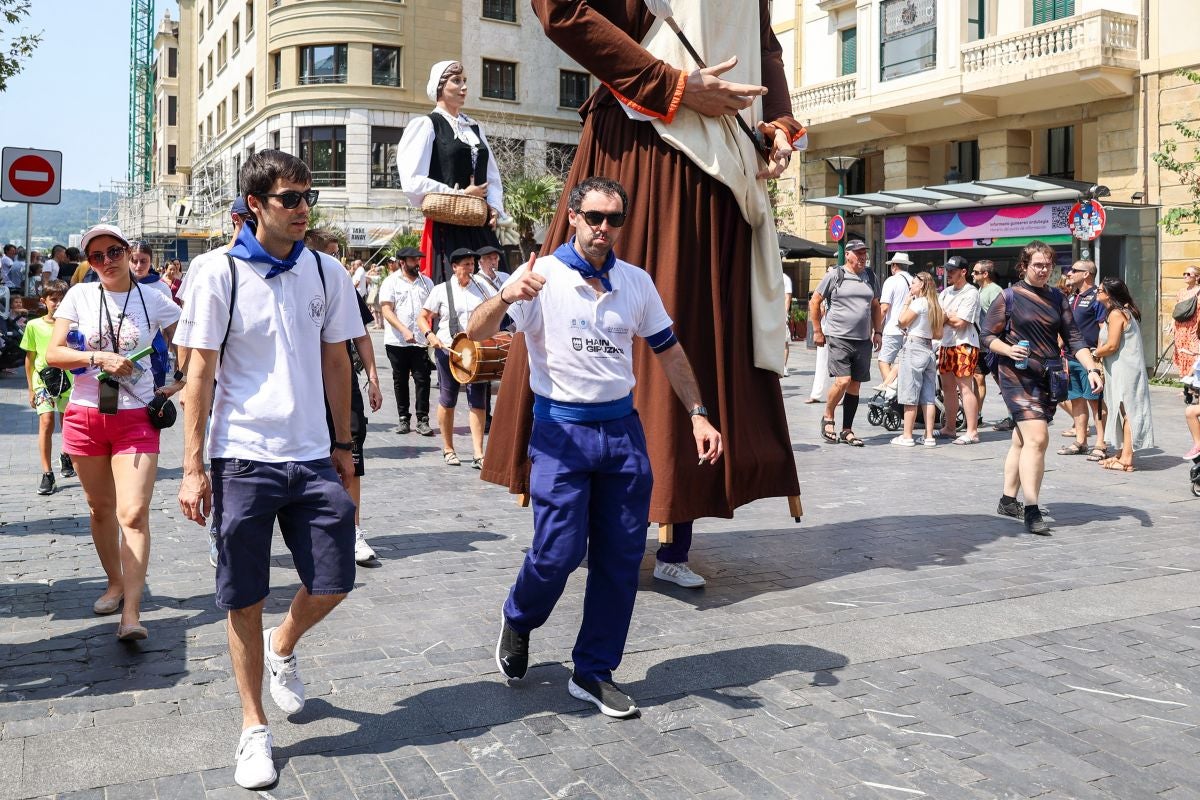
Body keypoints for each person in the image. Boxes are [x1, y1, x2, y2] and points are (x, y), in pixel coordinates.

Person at [483, 0, 802, 590]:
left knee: (697, 330)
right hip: (643, 136)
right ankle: (572, 523)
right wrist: (672, 87)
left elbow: (763, 39)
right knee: (594, 322)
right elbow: (561, 10)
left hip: (723, 158)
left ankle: (677, 531)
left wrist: (779, 123)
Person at [469, 177, 721, 718]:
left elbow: (670, 353)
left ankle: (593, 671)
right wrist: (505, 296)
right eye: (595, 217)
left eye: (614, 220)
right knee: (558, 552)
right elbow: (475, 329)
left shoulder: (635, 282)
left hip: (622, 434)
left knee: (621, 558)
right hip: (561, 433)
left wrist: (698, 414)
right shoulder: (540, 277)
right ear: (574, 216)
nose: (604, 229)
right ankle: (519, 617)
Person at [175, 150, 364, 790]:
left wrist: (344, 444)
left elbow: (336, 360)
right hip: (242, 458)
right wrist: (192, 467)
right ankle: (253, 728)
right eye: (289, 198)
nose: (303, 208)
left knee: (336, 580)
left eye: (308, 196)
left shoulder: (327, 270)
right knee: (243, 596)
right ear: (255, 204)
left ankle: (284, 646)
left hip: (312, 454)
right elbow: (198, 373)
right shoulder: (216, 270)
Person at [46, 224, 183, 638]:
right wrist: (98, 356)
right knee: (100, 509)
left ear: (128, 252)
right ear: (89, 262)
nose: (107, 261)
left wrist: (179, 380)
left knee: (134, 513)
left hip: (137, 418)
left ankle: (132, 614)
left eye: (114, 251)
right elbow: (54, 352)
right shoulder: (80, 295)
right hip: (86, 416)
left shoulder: (156, 300)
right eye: (97, 256)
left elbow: (192, 344)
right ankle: (115, 582)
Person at [981, 241, 1104, 535]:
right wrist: (1008, 350)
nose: (1043, 270)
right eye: (1037, 264)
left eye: (1048, 265)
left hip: (1046, 376)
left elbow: (1074, 338)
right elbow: (986, 336)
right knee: (1037, 438)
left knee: (1021, 441)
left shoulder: (1057, 298)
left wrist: (1091, 368)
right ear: (1024, 266)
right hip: (1015, 375)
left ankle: (1008, 500)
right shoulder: (1008, 297)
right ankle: (1032, 509)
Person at [396, 60, 506, 284]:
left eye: (465, 81)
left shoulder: (474, 128)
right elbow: (412, 180)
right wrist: (462, 194)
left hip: (480, 222)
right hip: (448, 226)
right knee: (455, 292)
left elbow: (492, 176)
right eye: (456, 81)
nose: (464, 87)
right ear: (439, 87)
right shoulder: (427, 125)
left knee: (495, 289)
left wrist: (493, 206)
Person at [419, 247, 490, 467]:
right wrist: (430, 335)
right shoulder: (441, 290)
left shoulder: (483, 288)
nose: (470, 269)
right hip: (448, 350)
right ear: (454, 267)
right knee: (448, 399)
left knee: (478, 400)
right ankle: (448, 448)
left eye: (473, 265)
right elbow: (423, 317)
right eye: (466, 265)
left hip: (476, 352)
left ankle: (478, 453)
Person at [811, 240, 881, 447]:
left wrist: (879, 331)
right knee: (843, 380)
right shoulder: (835, 275)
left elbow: (875, 305)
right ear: (847, 255)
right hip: (838, 336)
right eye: (858, 253)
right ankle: (828, 416)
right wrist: (817, 330)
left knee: (855, 385)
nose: (862, 257)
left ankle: (847, 430)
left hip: (862, 339)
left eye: (864, 253)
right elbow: (815, 301)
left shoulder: (870, 276)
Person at [1092, 277, 1154, 471]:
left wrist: (1093, 353)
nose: (1097, 292)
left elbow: (1112, 345)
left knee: (1128, 411)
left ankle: (1126, 458)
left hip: (1126, 369)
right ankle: (1122, 454)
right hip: (1121, 368)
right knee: (1122, 411)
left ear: (1109, 294)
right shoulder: (1118, 312)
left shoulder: (1117, 314)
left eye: (1100, 290)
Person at [21, 280, 75, 494]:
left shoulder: (72, 324)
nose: (58, 303)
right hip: (43, 380)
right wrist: (31, 389)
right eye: (54, 299)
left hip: (67, 380)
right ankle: (47, 473)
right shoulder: (34, 325)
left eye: (62, 299)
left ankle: (65, 453)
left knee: (67, 422)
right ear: (44, 301)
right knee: (46, 422)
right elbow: (30, 358)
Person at [380, 246, 435, 436]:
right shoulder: (391, 282)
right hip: (397, 341)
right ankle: (403, 418)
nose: (417, 263)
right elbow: (387, 310)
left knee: (422, 379)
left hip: (420, 341)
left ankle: (423, 419)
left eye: (418, 260)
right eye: (413, 260)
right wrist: (403, 329)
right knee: (400, 380)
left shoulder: (426, 282)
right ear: (402, 262)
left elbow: (433, 309)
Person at [1057, 260, 1108, 460]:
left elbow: (1104, 328)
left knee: (1095, 401)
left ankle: (1101, 443)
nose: (1069, 273)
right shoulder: (1072, 297)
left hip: (1090, 358)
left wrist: (1099, 353)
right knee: (1076, 399)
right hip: (1070, 357)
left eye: (1074, 270)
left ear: (1086, 274)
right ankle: (1081, 441)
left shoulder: (1098, 297)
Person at [891, 272, 944, 447]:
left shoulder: (919, 303)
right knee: (928, 396)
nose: (910, 286)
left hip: (914, 348)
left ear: (921, 285)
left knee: (909, 394)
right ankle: (929, 436)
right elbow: (938, 334)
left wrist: (906, 302)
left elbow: (901, 321)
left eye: (913, 283)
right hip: (928, 348)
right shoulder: (935, 304)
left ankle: (907, 435)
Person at [937, 256, 982, 444]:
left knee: (965, 386)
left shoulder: (970, 293)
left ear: (963, 272)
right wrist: (948, 317)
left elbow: (960, 323)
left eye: (953, 271)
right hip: (946, 343)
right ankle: (950, 427)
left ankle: (972, 431)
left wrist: (945, 317)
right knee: (947, 388)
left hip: (965, 343)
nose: (949, 274)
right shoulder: (946, 292)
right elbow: (936, 317)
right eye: (948, 270)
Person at [877, 252, 914, 395]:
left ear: (893, 266)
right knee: (902, 364)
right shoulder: (914, 281)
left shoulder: (891, 281)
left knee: (883, 361)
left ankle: (893, 393)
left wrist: (876, 328)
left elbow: (884, 308)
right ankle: (899, 391)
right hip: (910, 330)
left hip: (893, 329)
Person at [972, 260, 1003, 421]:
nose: (972, 274)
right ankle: (976, 415)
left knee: (1001, 379)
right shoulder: (979, 290)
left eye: (976, 272)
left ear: (985, 274)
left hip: (992, 343)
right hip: (979, 344)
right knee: (978, 378)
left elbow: (1000, 316)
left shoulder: (994, 290)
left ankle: (1015, 415)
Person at [1173, 264, 1200, 380]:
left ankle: (1193, 382)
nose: (1185, 276)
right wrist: (1172, 324)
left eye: (1188, 274)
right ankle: (1185, 384)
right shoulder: (1180, 292)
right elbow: (1176, 309)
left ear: (1197, 277)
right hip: (1180, 327)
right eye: (1184, 273)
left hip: (1193, 326)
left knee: (1194, 353)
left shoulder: (1199, 292)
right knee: (1181, 353)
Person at [365, 261, 385, 329]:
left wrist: (371, 269)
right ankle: (381, 324)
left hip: (374, 293)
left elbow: (366, 275)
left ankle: (377, 324)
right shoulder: (382, 277)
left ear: (377, 272)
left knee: (375, 310)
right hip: (380, 293)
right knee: (380, 310)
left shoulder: (376, 277)